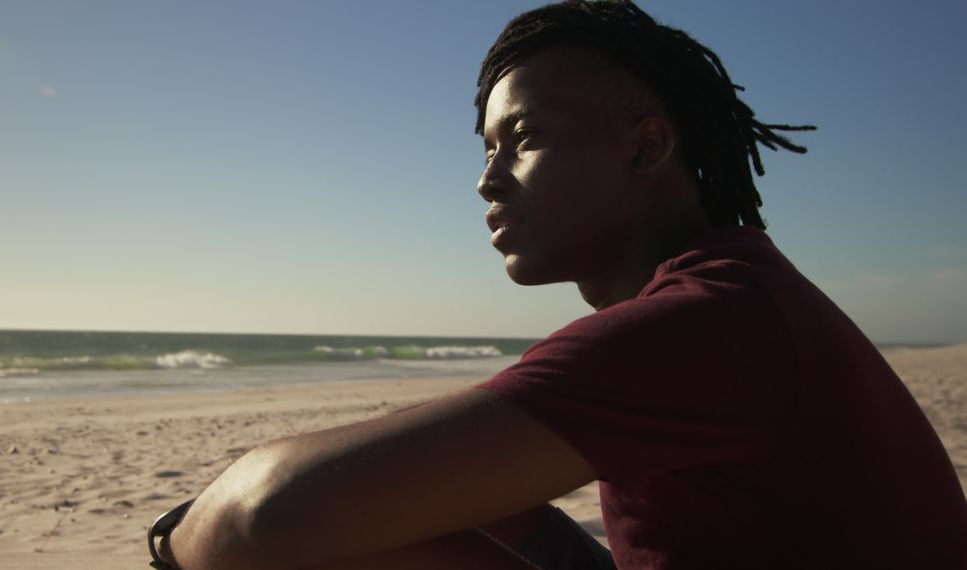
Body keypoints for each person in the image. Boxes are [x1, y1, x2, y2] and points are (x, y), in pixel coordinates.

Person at [149, 1, 967, 568]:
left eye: (524, 138)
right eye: (486, 149)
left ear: (645, 148)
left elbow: (263, 513)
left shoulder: (706, 321)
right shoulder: (738, 287)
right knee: (457, 499)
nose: (487, 180)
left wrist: (174, 546)